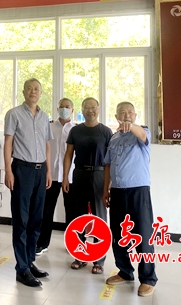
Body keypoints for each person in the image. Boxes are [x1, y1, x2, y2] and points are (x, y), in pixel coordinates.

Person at [104, 101, 157, 297]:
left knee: (142, 234)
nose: (126, 115)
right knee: (118, 235)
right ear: (116, 116)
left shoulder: (142, 132)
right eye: (122, 113)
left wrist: (131, 126)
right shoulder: (114, 138)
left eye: (130, 112)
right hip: (117, 191)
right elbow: (108, 165)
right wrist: (105, 190)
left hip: (138, 190)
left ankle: (148, 278)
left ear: (135, 116)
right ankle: (125, 271)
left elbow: (142, 135)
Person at [4, 78, 52, 288]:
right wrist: (8, 170)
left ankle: (30, 261)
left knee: (36, 220)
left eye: (37, 89)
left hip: (41, 171)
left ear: (41, 93)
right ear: (23, 92)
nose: (33, 91)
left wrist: (48, 171)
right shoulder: (13, 114)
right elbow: (8, 143)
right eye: (29, 88)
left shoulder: (44, 117)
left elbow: (47, 145)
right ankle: (21, 268)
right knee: (21, 220)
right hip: (22, 169)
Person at [63, 97, 112, 275]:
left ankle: (99, 260)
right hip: (80, 174)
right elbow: (68, 155)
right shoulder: (75, 131)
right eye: (86, 107)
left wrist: (108, 185)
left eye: (93, 107)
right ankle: (80, 256)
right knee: (79, 217)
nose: (90, 110)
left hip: (99, 175)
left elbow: (110, 161)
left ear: (98, 109)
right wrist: (65, 177)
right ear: (81, 111)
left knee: (100, 217)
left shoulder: (106, 132)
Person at [35, 97, 76, 256]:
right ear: (57, 109)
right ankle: (42, 243)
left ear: (72, 110)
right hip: (50, 175)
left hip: (70, 176)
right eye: (61, 106)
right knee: (46, 211)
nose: (64, 109)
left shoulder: (76, 129)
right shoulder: (49, 126)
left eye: (67, 106)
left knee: (71, 211)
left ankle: (73, 244)